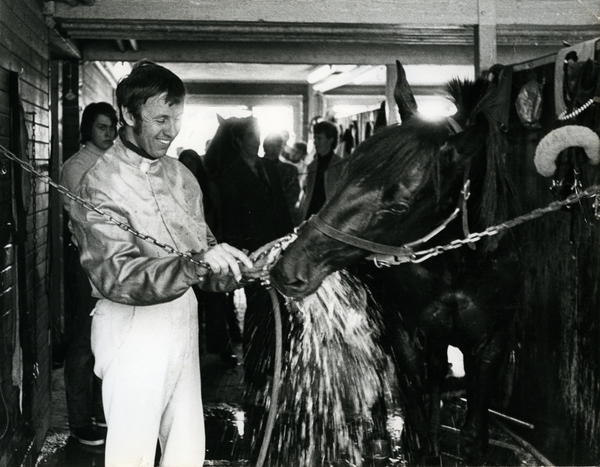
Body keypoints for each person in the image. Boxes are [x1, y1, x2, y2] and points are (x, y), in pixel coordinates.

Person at [67, 60, 257, 467]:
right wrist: (193, 267)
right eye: (160, 119)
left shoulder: (182, 175)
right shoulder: (99, 184)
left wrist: (236, 270)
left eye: (177, 118)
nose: (171, 131)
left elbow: (203, 251)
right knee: (131, 451)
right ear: (128, 115)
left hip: (182, 318)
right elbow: (115, 275)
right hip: (131, 325)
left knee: (186, 446)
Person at [206, 117, 293, 392]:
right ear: (238, 141)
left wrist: (289, 241)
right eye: (251, 137)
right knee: (257, 309)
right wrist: (243, 253)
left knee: (281, 308)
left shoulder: (270, 167)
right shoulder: (229, 175)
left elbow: (281, 208)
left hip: (279, 249)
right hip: (253, 254)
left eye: (258, 136)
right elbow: (230, 218)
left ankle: (278, 366)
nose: (256, 141)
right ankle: (255, 372)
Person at [60, 102, 118, 446]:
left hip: (109, 259)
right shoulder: (77, 166)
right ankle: (80, 421)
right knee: (83, 340)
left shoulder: (112, 161)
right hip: (86, 260)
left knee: (104, 337)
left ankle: (99, 412)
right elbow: (87, 217)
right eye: (101, 127)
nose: (109, 133)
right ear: (87, 130)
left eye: (112, 126)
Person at [178, 148, 241, 368]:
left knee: (215, 303)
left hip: (209, 247)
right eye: (184, 164)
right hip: (185, 253)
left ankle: (221, 348)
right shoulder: (174, 187)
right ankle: (191, 351)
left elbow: (219, 216)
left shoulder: (208, 187)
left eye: (192, 164)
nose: (188, 169)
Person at [297, 120, 345, 221]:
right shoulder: (312, 166)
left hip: (331, 219)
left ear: (330, 140)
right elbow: (308, 195)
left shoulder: (341, 165)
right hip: (311, 217)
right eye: (314, 138)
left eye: (319, 138)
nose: (315, 142)